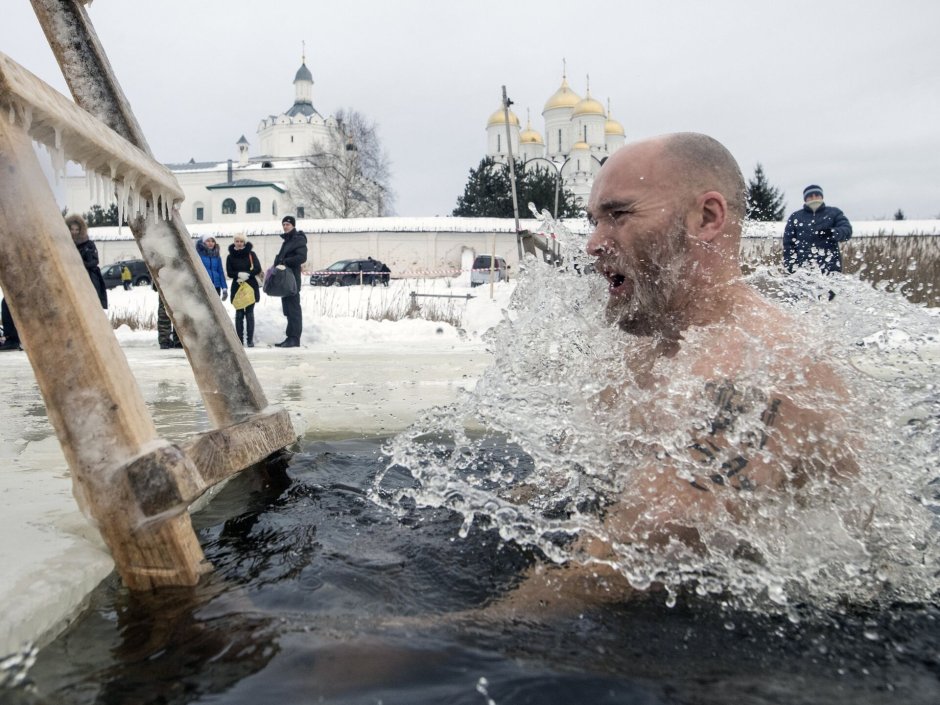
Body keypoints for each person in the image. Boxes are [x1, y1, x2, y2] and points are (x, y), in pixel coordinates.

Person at [494, 133, 858, 615]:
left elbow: (612, 565)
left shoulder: (767, 366)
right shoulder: (641, 355)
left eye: (618, 215)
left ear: (707, 218)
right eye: (593, 222)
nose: (593, 245)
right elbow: (571, 488)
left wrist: (409, 651)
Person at [782, 184, 853, 274]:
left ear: (822, 197)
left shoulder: (834, 213)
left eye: (817, 195)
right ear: (805, 199)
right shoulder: (795, 217)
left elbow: (847, 230)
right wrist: (790, 267)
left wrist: (832, 232)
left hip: (831, 268)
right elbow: (788, 244)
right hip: (803, 271)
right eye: (810, 196)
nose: (814, 198)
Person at [273, 215, 307, 348]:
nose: (285, 226)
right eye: (284, 224)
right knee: (287, 308)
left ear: (293, 225)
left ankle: (294, 338)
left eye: (288, 224)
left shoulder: (298, 240)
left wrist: (285, 261)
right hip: (284, 279)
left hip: (292, 279)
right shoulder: (287, 240)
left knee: (293, 309)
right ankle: (290, 337)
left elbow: (301, 257)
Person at [226, 233, 263, 347]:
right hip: (237, 286)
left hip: (250, 286)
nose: (239, 243)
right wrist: (238, 274)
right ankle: (239, 340)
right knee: (239, 313)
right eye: (237, 241)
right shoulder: (230, 256)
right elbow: (229, 272)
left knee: (250, 313)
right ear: (234, 242)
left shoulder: (251, 254)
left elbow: (257, 268)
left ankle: (250, 340)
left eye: (241, 241)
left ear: (244, 242)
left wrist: (247, 274)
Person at [65, 213, 108, 309]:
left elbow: (95, 261)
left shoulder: (88, 244)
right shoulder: (64, 244)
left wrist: (81, 263)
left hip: (86, 277)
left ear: (81, 230)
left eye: (77, 229)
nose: (74, 232)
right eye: (72, 229)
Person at [196, 235, 227, 300]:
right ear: (203, 242)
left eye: (213, 241)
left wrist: (224, 288)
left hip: (216, 286)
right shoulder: (198, 255)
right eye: (208, 241)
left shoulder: (217, 257)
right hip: (204, 285)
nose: (211, 243)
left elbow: (220, 272)